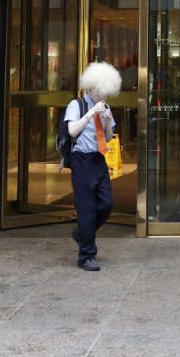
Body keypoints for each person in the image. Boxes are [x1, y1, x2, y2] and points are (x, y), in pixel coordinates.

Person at [64, 62, 122, 271]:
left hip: (99, 159)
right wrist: (90, 113)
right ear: (89, 88)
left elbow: (107, 137)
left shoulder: (105, 106)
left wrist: (106, 121)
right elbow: (71, 131)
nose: (103, 96)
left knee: (106, 204)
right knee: (86, 209)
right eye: (101, 92)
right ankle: (86, 255)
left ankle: (82, 234)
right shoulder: (76, 105)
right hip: (81, 160)